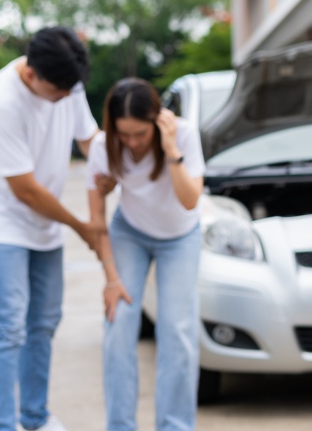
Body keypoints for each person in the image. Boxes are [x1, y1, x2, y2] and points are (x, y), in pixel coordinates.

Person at [0, 26, 101, 431]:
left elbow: (90, 140)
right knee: (9, 326)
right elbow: (24, 190)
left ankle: (35, 417)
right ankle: (4, 426)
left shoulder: (67, 84)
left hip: (45, 223)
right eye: (56, 91)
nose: (63, 98)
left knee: (44, 321)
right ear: (30, 75)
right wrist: (82, 227)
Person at [85, 78, 206, 431]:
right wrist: (110, 278)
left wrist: (170, 149)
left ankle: (175, 425)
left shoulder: (182, 134)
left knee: (177, 329)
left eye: (140, 133)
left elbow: (189, 199)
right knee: (119, 324)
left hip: (180, 237)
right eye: (124, 134)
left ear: (156, 120)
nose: (132, 143)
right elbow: (96, 223)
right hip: (130, 233)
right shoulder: (102, 147)